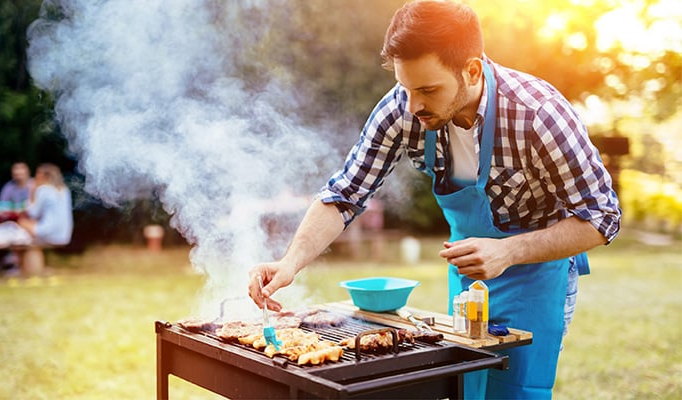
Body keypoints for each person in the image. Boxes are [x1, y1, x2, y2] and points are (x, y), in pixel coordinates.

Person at [248, 1, 621, 398]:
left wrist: (507, 252)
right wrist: (289, 263)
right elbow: (345, 194)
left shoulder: (538, 115)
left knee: (516, 391)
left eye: (427, 89)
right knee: (465, 386)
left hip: (537, 273)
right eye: (405, 87)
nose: (413, 106)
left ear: (472, 70)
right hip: (468, 277)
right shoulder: (403, 108)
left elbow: (602, 217)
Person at [0, 163, 73, 249]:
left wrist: (32, 192)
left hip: (47, 233)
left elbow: (32, 213)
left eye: (37, 174)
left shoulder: (43, 189)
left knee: (18, 223)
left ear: (43, 176)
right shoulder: (64, 190)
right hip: (64, 235)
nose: (35, 178)